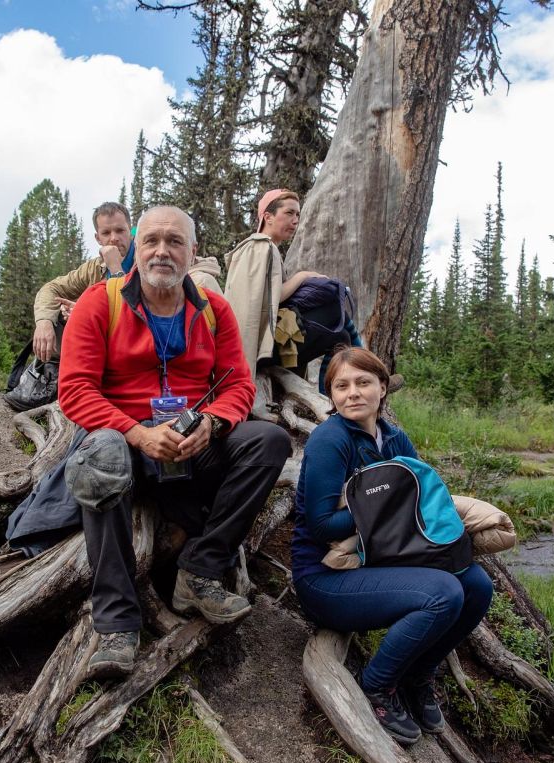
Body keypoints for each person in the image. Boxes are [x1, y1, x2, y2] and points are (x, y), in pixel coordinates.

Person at [58, 205, 290, 678]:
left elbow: (237, 385)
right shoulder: (99, 303)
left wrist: (213, 423)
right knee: (102, 457)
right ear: (137, 248)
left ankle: (200, 569)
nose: (162, 251)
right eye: (152, 240)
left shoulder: (213, 310)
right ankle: (117, 623)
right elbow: (75, 390)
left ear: (192, 252)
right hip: (124, 440)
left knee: (269, 441)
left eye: (175, 241)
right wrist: (138, 434)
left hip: (190, 444)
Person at [291, 347, 492, 744]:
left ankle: (419, 675)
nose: (353, 393)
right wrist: (384, 503)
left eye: (363, 382)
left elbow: (420, 499)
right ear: (331, 395)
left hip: (380, 560)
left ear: (382, 388)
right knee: (443, 593)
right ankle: (377, 685)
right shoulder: (330, 441)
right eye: (341, 386)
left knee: (476, 585)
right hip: (326, 578)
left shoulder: (394, 438)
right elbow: (320, 525)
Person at [31, 201, 224, 363]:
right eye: (106, 233)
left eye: (120, 230)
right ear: (97, 238)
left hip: (155, 355)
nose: (114, 239)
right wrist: (44, 321)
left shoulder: (155, 262)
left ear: (131, 233)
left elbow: (142, 317)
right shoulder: (93, 268)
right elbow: (51, 288)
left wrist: (115, 269)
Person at [223, 189, 359, 393]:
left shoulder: (263, 248)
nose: (295, 220)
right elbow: (271, 298)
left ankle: (340, 389)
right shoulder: (260, 247)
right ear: (268, 217)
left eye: (297, 215)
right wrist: (302, 276)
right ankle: (356, 378)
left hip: (266, 340)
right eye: (289, 213)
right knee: (335, 315)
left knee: (340, 335)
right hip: (258, 345)